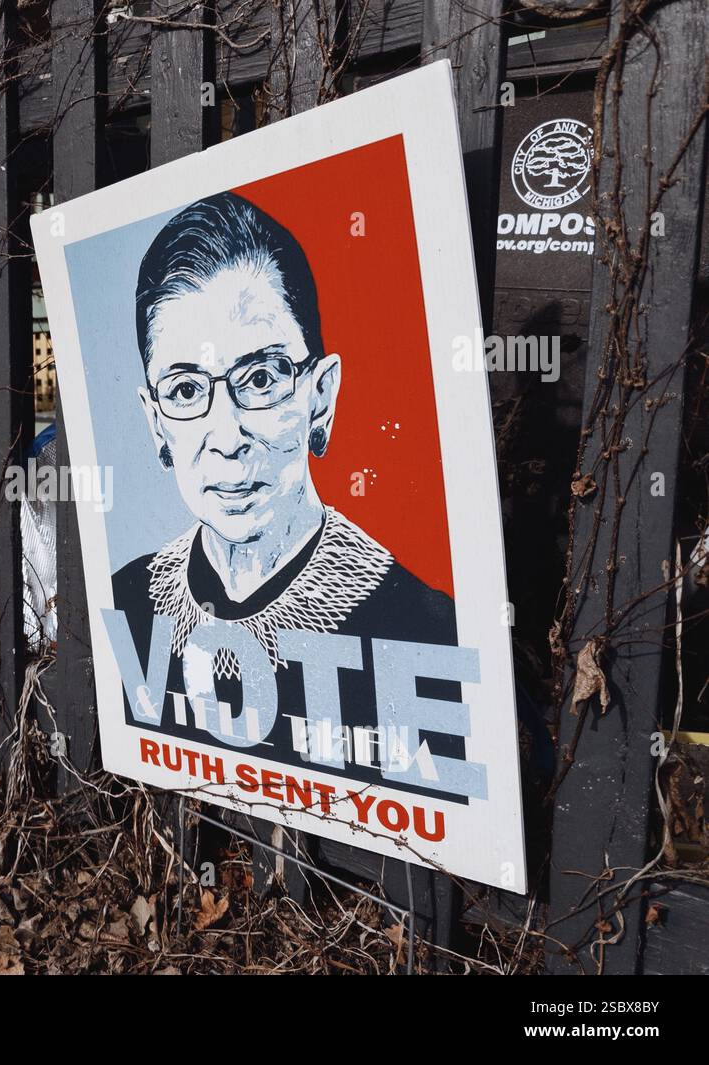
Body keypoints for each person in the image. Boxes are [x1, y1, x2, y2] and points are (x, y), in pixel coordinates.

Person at [111, 192, 461, 786]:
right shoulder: (127, 602)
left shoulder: (424, 630)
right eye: (188, 391)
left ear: (319, 398)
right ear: (155, 423)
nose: (227, 437)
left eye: (262, 377)